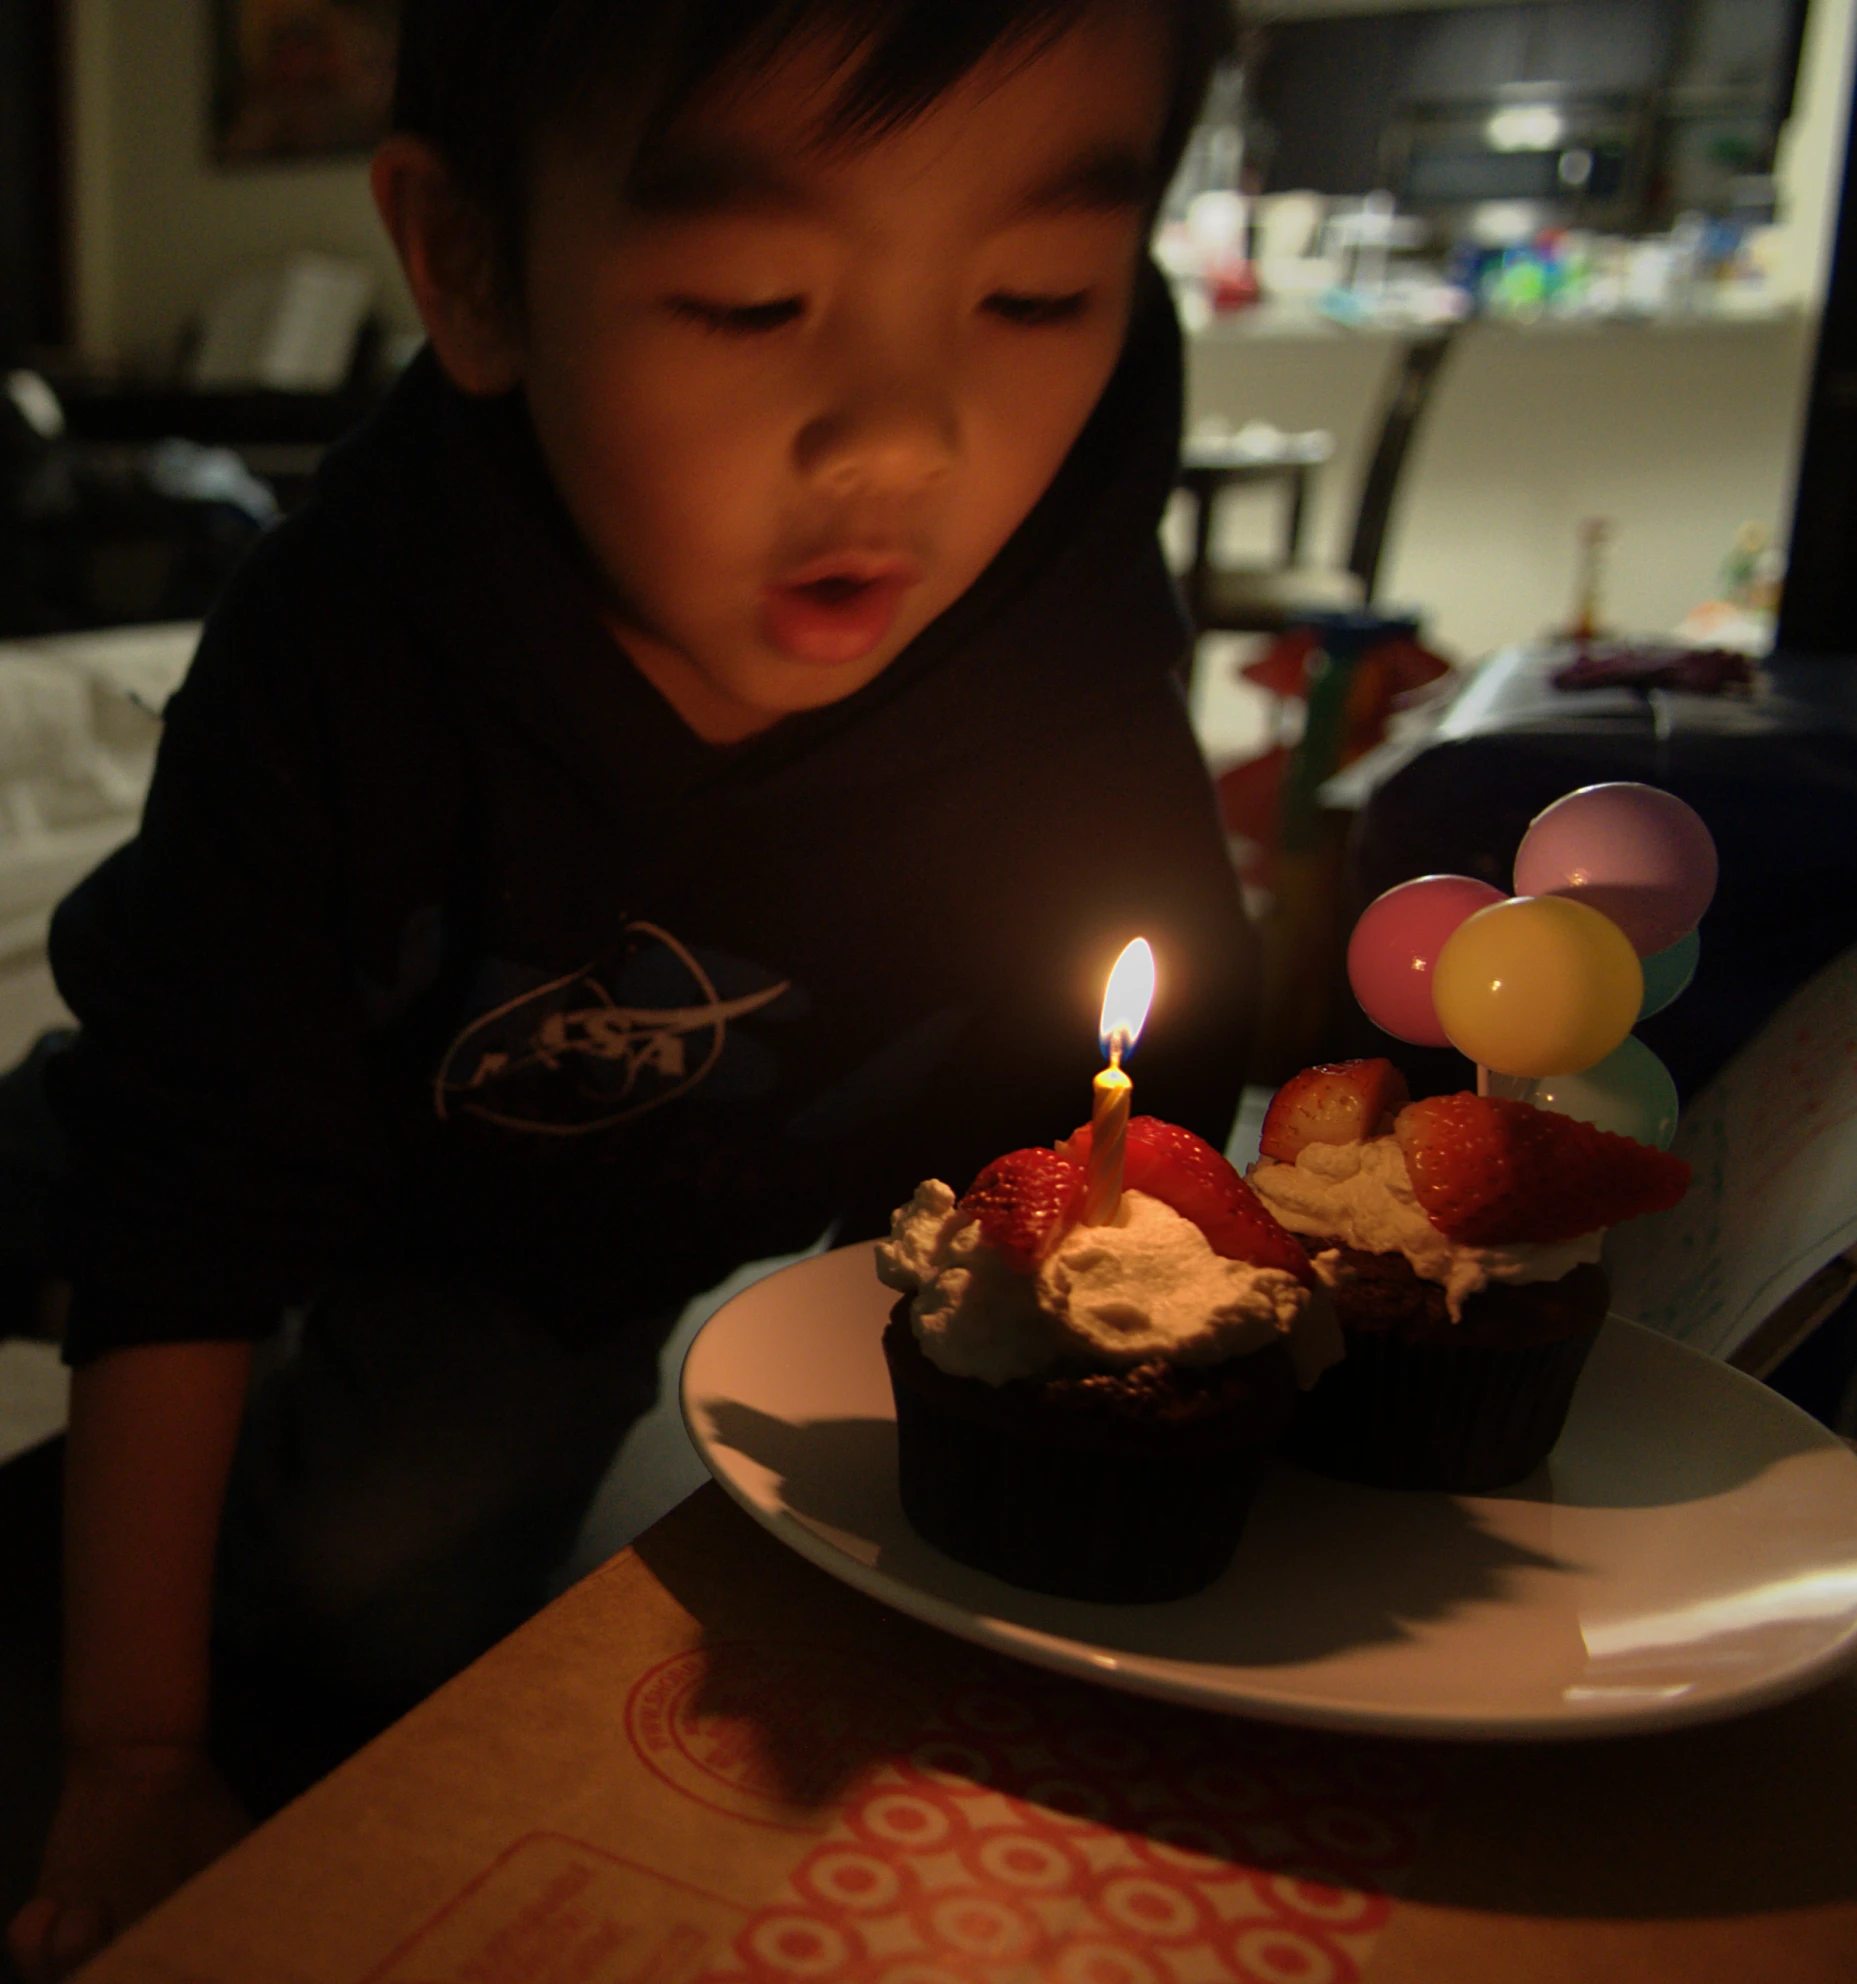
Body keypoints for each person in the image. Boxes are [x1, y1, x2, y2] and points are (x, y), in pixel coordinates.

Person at [8, 1, 1254, 1975]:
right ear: (476, 267)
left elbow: (1131, 1101)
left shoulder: (1063, 634)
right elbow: (193, 1196)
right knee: (360, 1585)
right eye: (757, 302)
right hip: (416, 1182)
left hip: (762, 1186)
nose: (902, 436)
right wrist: (132, 1745)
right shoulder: (343, 650)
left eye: (1035, 293)